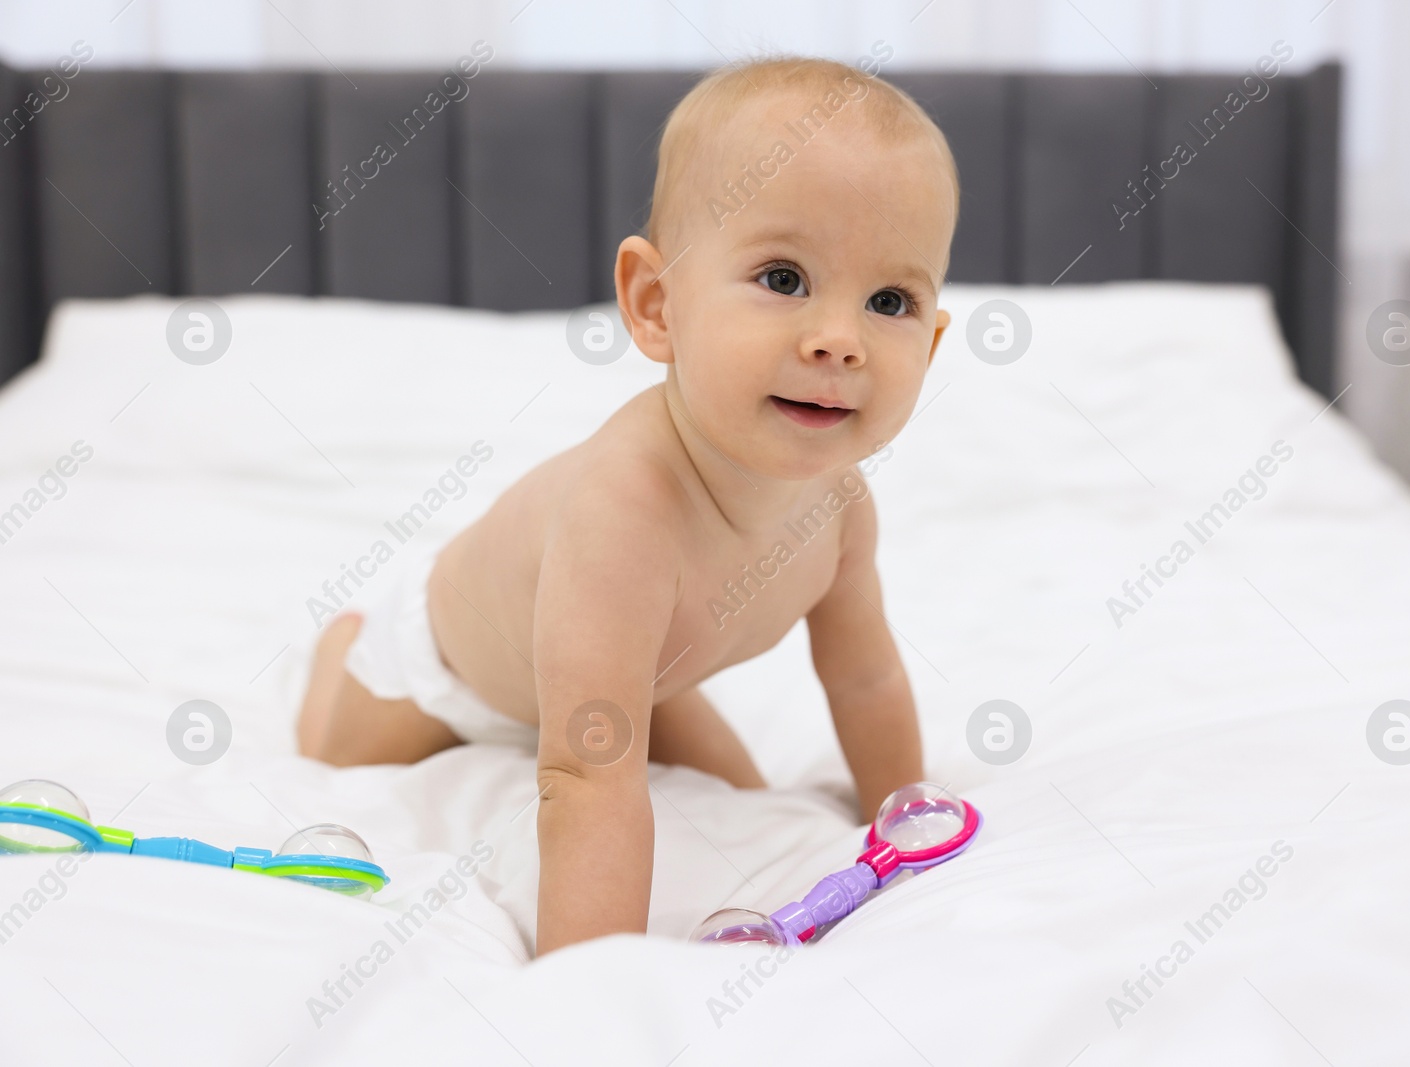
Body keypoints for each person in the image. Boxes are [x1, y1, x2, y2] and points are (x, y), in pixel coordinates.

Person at [296, 55, 960, 955]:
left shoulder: (839, 508)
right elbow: (583, 776)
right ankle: (342, 642)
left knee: (746, 795)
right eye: (784, 278)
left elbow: (865, 677)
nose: (839, 340)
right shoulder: (626, 510)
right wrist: (592, 989)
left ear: (934, 339)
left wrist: (906, 821)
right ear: (656, 305)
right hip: (448, 666)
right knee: (329, 757)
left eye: (890, 300)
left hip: (639, 665)